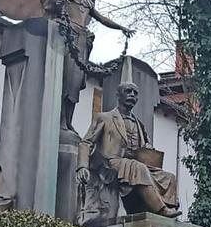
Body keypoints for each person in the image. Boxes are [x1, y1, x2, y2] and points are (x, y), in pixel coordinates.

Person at [44, 0, 135, 141]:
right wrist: (55, 4)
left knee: (76, 85)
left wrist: (120, 28)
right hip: (68, 39)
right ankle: (59, 121)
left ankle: (68, 121)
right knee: (66, 82)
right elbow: (47, 11)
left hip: (83, 42)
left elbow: (100, 18)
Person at [76, 82, 180, 219]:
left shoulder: (139, 124)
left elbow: (146, 146)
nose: (132, 95)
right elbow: (86, 142)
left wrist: (148, 149)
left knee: (169, 177)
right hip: (111, 163)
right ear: (119, 95)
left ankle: (167, 217)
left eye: (135, 93)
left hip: (133, 165)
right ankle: (161, 209)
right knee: (139, 168)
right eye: (128, 91)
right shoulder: (104, 118)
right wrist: (82, 166)